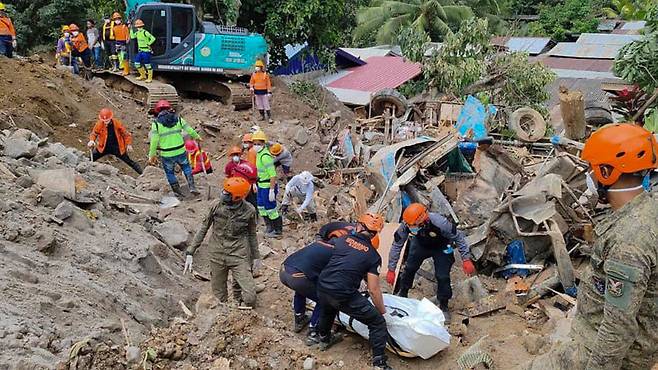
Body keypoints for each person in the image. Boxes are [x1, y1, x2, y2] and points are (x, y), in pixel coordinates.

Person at [524, 123, 658, 370]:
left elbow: (618, 327)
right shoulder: (647, 209)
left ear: (607, 172)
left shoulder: (628, 242)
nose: (590, 176)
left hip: (596, 351)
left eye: (591, 169)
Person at [316, 213, 393, 370]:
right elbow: (373, 289)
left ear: (359, 226)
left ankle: (323, 338)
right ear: (374, 233)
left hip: (323, 285)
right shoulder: (373, 256)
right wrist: (382, 312)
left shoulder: (342, 240)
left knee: (328, 310)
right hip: (343, 293)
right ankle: (379, 363)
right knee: (377, 322)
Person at [387, 203, 475, 320]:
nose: (410, 227)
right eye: (409, 225)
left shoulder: (440, 223)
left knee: (442, 275)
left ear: (423, 220)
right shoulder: (406, 225)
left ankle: (443, 305)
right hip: (420, 244)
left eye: (413, 225)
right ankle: (403, 292)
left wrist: (466, 259)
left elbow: (458, 237)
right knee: (409, 268)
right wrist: (391, 269)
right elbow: (397, 245)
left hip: (442, 246)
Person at [185, 177, 261, 308]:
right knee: (219, 298)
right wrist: (190, 252)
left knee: (250, 297)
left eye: (228, 193)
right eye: (224, 191)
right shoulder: (215, 206)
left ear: (238, 197)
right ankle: (224, 315)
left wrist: (256, 257)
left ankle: (239, 302)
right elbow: (203, 229)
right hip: (217, 254)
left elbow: (252, 234)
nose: (223, 194)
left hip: (239, 254)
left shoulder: (249, 211)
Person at [279, 239, 334, 345]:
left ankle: (299, 317)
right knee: (324, 298)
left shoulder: (318, 244)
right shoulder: (335, 254)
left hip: (284, 271)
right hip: (297, 278)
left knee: (302, 290)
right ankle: (314, 331)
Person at [148, 99, 202, 197]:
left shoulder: (156, 124)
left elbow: (154, 141)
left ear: (157, 111)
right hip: (180, 151)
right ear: (169, 108)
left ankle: (178, 193)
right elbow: (189, 129)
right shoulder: (178, 119)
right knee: (186, 167)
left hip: (166, 154)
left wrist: (152, 155)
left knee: (170, 173)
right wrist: (197, 137)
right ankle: (192, 186)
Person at [87, 108, 142, 175]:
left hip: (117, 147)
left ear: (110, 118)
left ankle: (142, 174)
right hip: (103, 147)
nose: (106, 122)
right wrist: (92, 140)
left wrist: (129, 144)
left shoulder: (117, 123)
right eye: (104, 120)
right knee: (90, 158)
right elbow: (94, 133)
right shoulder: (99, 124)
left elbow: (126, 135)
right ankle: (83, 169)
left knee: (129, 161)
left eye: (107, 120)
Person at [252, 130, 283, 237]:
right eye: (254, 144)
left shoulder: (265, 157)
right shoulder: (259, 155)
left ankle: (278, 230)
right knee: (261, 207)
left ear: (263, 144)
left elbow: (272, 175)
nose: (256, 146)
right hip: (260, 185)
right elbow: (258, 171)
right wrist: (255, 183)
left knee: (271, 208)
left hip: (267, 186)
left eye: (258, 144)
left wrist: (271, 190)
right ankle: (269, 227)